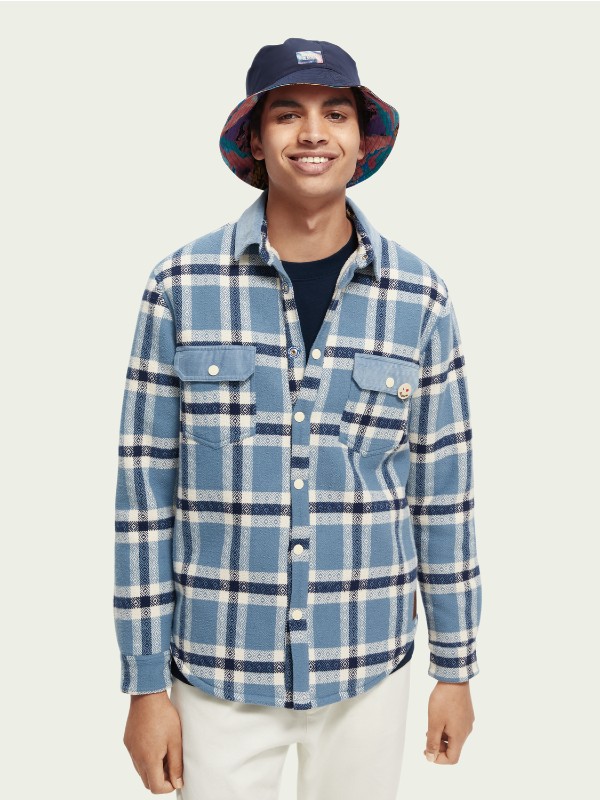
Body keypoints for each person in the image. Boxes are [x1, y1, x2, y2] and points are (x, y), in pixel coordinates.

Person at [114, 37, 483, 799]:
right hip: (217, 672)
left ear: (361, 140)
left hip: (369, 666)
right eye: (287, 114)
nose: (313, 133)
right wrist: (145, 685)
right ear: (255, 139)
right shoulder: (180, 285)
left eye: (335, 114)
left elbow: (443, 495)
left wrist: (455, 668)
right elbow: (144, 498)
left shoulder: (420, 297)